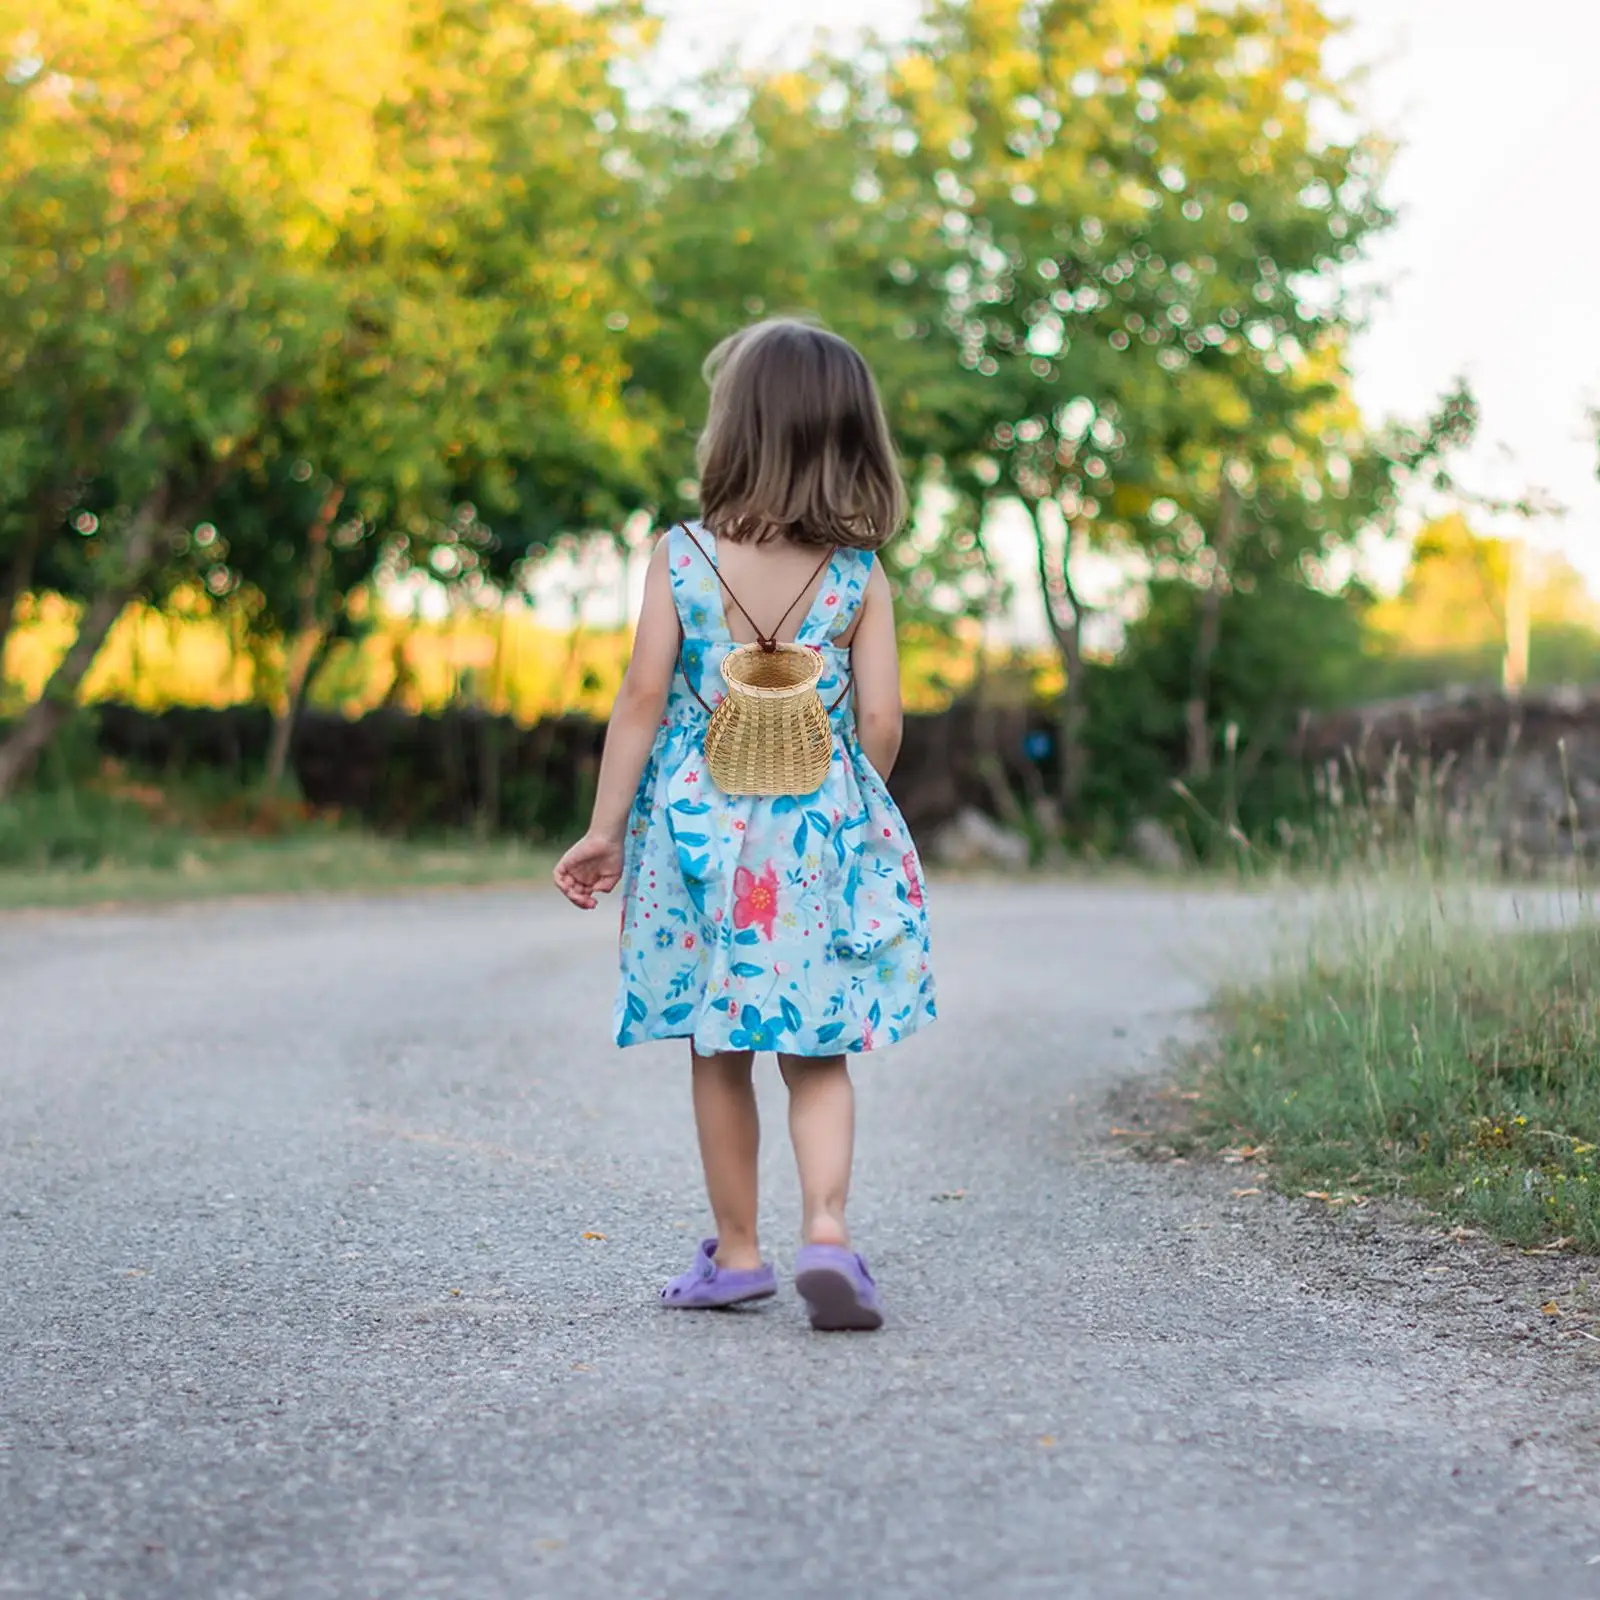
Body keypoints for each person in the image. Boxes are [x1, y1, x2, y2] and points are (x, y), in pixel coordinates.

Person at [554, 319, 936, 1331]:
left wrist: (606, 829)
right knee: (816, 1048)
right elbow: (884, 721)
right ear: (850, 440)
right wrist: (847, 805)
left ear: (735, 429)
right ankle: (828, 1236)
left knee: (718, 1048)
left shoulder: (679, 557)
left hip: (695, 834)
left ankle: (736, 1252)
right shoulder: (859, 575)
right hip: (814, 836)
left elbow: (640, 698)